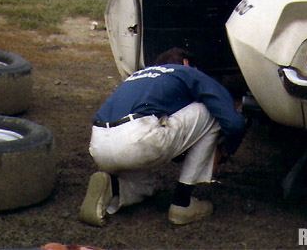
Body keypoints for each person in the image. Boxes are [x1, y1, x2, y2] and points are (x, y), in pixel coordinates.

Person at [80, 47, 246, 227]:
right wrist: (225, 150)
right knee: (208, 110)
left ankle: (113, 188)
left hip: (100, 145)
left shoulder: (137, 76)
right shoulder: (187, 71)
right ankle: (182, 203)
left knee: (146, 187)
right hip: (137, 137)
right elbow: (234, 123)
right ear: (186, 63)